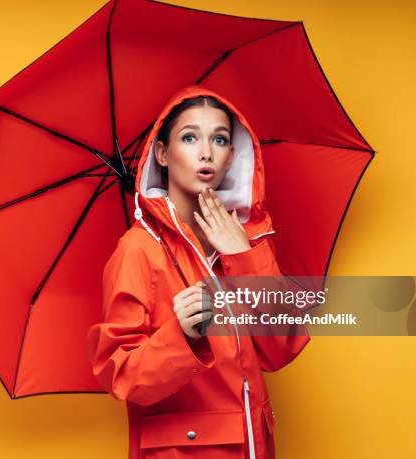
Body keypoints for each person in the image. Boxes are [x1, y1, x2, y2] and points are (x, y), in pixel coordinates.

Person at [86, 85, 310, 459]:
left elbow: (281, 348)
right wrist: (183, 335)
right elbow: (123, 376)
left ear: (231, 156)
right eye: (190, 137)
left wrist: (243, 256)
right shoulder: (138, 250)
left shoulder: (247, 239)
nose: (206, 152)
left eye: (219, 139)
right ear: (162, 153)